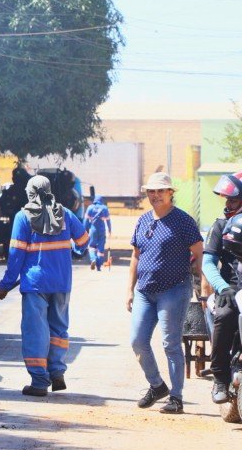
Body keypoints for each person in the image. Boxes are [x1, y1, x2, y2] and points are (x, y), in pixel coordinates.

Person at [0, 175, 87, 396]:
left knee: (36, 331)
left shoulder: (23, 217)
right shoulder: (65, 214)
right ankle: (57, 372)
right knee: (58, 329)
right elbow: (84, 242)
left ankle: (39, 382)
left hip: (35, 284)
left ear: (30, 193)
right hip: (61, 282)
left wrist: (5, 284)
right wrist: (72, 252)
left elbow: (15, 256)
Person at [127, 172, 203, 414]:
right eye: (151, 191)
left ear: (170, 193)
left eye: (160, 191)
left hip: (174, 289)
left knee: (171, 343)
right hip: (145, 291)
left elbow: (199, 252)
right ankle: (157, 385)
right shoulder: (143, 220)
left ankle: (176, 397)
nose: (155, 195)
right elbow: (136, 256)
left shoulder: (183, 221)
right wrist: (129, 290)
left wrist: (201, 285)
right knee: (138, 341)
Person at [202, 172, 242, 404]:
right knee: (225, 316)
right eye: (227, 200)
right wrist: (222, 287)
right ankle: (219, 377)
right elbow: (207, 262)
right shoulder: (219, 225)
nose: (228, 204)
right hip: (231, 288)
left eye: (233, 200)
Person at [83, 196, 112, 271]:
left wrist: (84, 230)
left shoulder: (90, 208)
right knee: (100, 248)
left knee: (91, 246)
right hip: (102, 230)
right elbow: (108, 221)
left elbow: (86, 221)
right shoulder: (104, 208)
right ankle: (98, 266)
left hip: (93, 230)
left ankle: (93, 259)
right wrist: (109, 229)